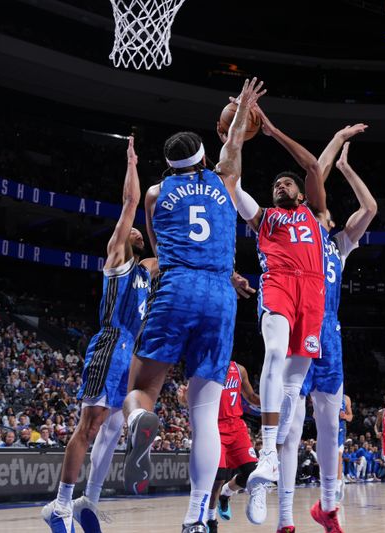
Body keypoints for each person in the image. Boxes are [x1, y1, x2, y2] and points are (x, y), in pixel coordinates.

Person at [122, 78, 265, 533]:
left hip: (178, 285)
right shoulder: (223, 179)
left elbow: (161, 251)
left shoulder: (155, 194)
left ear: (167, 165)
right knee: (205, 416)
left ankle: (141, 418)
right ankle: (196, 518)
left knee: (140, 384)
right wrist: (242, 107)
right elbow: (235, 144)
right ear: (205, 158)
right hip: (220, 295)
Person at [42, 136, 158, 533]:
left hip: (130, 352)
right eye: (136, 233)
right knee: (89, 425)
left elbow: (176, 258)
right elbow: (130, 204)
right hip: (110, 344)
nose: (139, 234)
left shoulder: (145, 270)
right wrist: (132, 163)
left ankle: (88, 500)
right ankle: (58, 506)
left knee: (112, 429)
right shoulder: (117, 257)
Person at [275, 128, 375, 533]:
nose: (325, 209)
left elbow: (369, 207)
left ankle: (328, 508)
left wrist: (349, 168)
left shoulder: (339, 244)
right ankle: (284, 518)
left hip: (329, 335)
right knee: (293, 426)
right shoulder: (303, 226)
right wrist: (335, 138)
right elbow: (317, 168)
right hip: (300, 327)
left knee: (331, 427)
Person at [230, 102, 325, 526]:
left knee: (294, 394)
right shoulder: (265, 219)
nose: (282, 186)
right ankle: (265, 451)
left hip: (314, 294)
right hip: (280, 284)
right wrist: (235, 131)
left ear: (300, 194)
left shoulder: (316, 214)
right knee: (272, 353)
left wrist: (270, 129)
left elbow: (313, 168)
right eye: (277, 184)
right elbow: (232, 184)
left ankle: (265, 481)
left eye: (288, 183)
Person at [192, 360, 260, 533]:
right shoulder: (205, 368)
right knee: (217, 478)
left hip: (236, 427)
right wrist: (182, 399)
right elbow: (190, 399)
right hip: (215, 427)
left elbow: (251, 397)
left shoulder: (239, 369)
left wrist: (272, 402)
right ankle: (211, 520)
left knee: (253, 473)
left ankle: (226, 494)